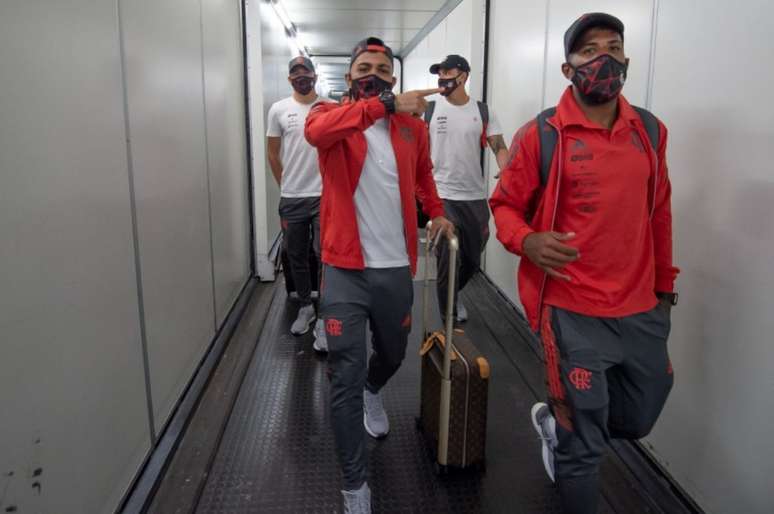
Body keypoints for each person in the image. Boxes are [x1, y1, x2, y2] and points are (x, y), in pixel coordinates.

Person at [489, 13, 679, 514]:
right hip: (572, 311)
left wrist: (664, 293)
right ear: (567, 68)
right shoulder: (543, 134)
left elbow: (658, 212)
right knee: (585, 442)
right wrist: (525, 241)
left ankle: (560, 426)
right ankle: (568, 433)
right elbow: (504, 205)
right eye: (589, 50)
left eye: (613, 47)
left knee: (638, 417)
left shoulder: (651, 131)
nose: (603, 59)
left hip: (640, 309)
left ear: (627, 61)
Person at [304, 37, 454, 514]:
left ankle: (376, 389)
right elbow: (316, 135)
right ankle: (355, 488)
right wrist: (379, 104)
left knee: (392, 353)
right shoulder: (330, 115)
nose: (374, 73)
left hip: (395, 267)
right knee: (341, 376)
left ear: (394, 76)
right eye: (364, 67)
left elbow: (423, 177)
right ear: (349, 77)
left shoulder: (412, 127)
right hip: (344, 269)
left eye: (383, 69)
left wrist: (438, 211)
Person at [426, 54, 510, 323]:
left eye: (447, 72)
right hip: (441, 196)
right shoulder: (430, 110)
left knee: (473, 258)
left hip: (473, 197)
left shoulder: (483, 111)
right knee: (446, 260)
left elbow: (499, 145)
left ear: (463, 76)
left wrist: (506, 168)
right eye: (439, 72)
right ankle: (446, 315)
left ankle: (453, 294)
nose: (442, 77)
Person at [266, 56, 330, 351]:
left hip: (323, 196)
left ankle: (325, 317)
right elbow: (272, 152)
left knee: (325, 255)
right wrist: (286, 184)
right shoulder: (278, 109)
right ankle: (306, 305)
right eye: (296, 73)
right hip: (292, 197)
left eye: (306, 72)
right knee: (296, 255)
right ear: (289, 78)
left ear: (315, 75)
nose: (301, 77)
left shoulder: (330, 107)